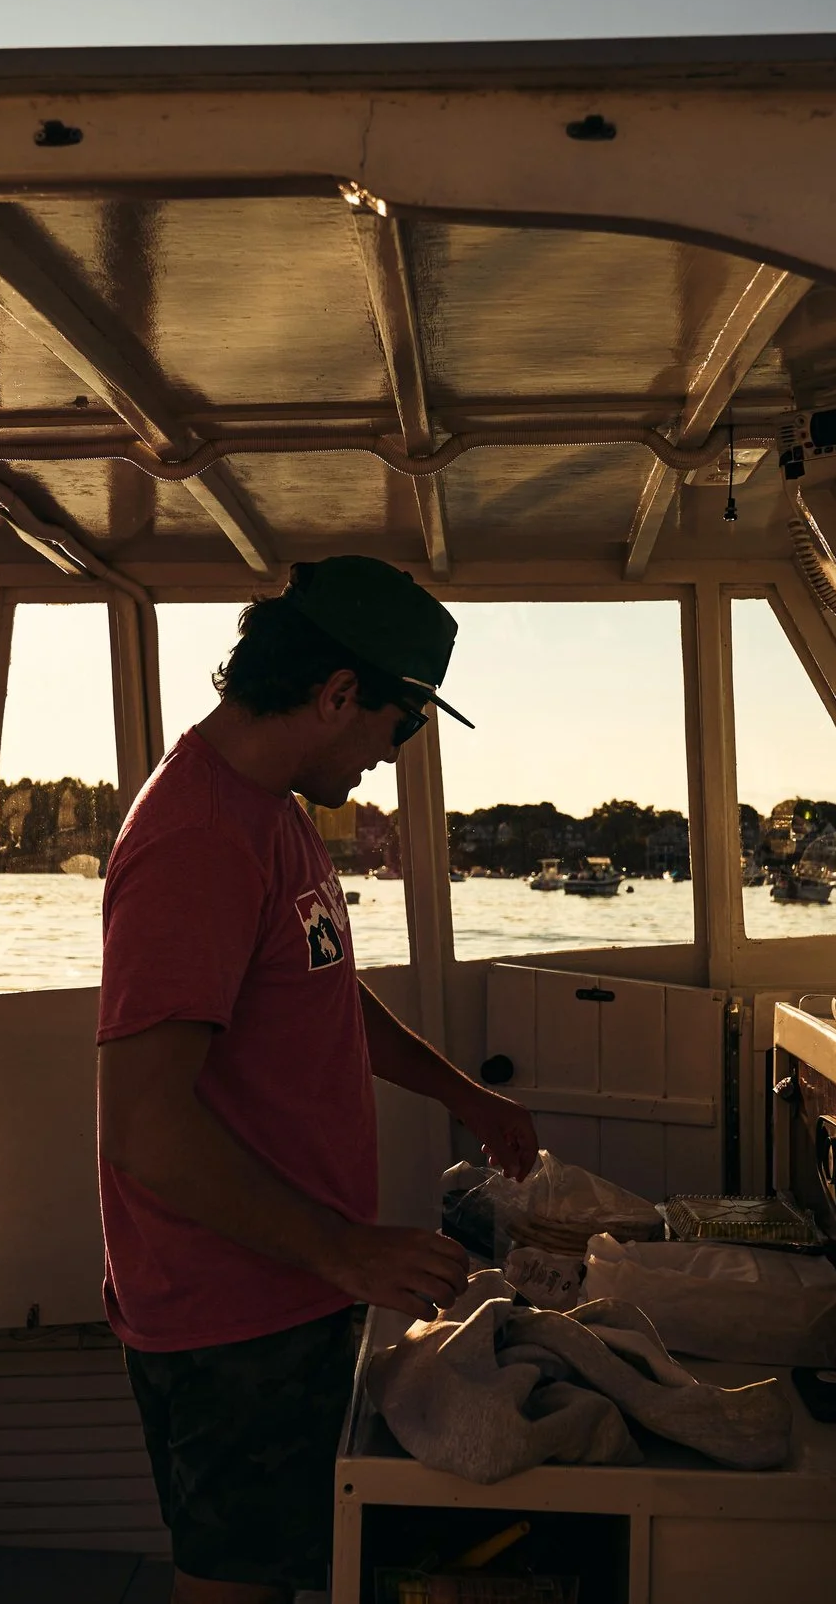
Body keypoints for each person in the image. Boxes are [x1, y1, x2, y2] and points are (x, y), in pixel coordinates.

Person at [95, 556, 540, 1603]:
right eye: (404, 722)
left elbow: (322, 991)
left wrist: (459, 1092)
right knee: (233, 1585)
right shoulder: (200, 837)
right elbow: (145, 1128)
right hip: (229, 1309)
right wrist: (346, 1249)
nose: (392, 754)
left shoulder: (271, 809)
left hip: (291, 1285)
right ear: (338, 692)